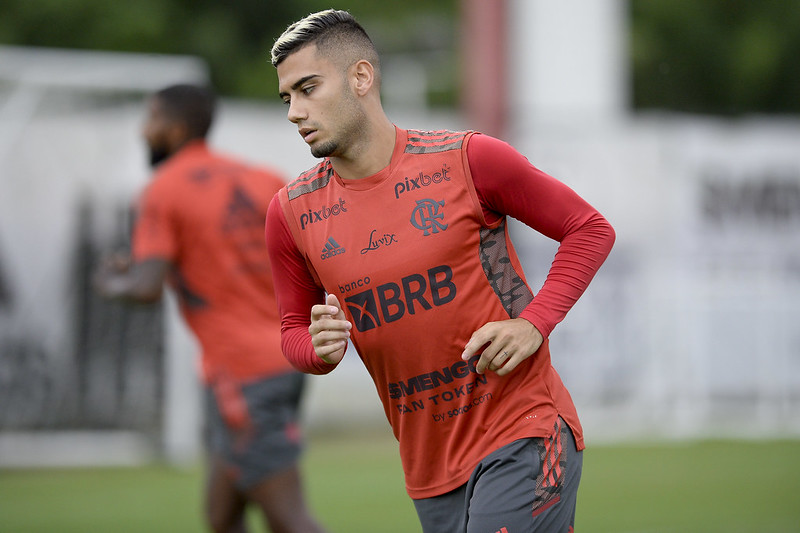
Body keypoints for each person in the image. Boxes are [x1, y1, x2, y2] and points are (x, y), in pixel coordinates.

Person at [266, 9, 615, 533]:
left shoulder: (468, 160)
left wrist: (533, 323)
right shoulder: (292, 212)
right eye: (287, 97)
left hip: (523, 427)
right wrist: (316, 349)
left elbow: (589, 229)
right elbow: (292, 333)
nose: (295, 111)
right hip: (430, 469)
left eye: (308, 88)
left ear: (361, 78)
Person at [94, 84, 327, 533]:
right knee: (222, 515)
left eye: (151, 120)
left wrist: (111, 281)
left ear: (176, 128)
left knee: (290, 518)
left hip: (242, 376)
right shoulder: (264, 179)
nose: (144, 131)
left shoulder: (162, 190)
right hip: (288, 357)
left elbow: (145, 287)